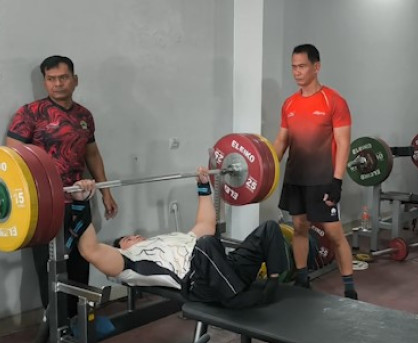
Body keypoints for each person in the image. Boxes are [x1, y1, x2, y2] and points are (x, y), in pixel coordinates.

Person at [70, 168, 288, 308]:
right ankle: (234, 299)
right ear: (121, 248)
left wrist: (203, 185)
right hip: (201, 282)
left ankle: (274, 280)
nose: (135, 236)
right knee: (207, 243)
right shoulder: (129, 262)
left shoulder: (172, 239)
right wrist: (81, 203)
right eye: (128, 238)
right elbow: (91, 250)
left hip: (224, 267)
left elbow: (205, 225)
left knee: (268, 229)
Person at [5, 55, 117, 316]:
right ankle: (55, 325)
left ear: (74, 80)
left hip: (79, 200)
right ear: (44, 82)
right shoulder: (29, 113)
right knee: (50, 267)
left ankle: (80, 320)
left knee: (81, 260)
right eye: (51, 79)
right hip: (45, 205)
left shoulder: (84, 115)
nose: (57, 84)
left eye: (63, 78)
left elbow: (92, 155)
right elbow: (12, 159)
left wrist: (106, 192)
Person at [273, 44, 357, 299]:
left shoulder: (333, 101)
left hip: (322, 179)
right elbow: (281, 141)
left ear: (316, 67)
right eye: (293, 67)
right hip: (295, 178)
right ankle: (302, 279)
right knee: (299, 227)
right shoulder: (289, 104)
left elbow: (343, 143)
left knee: (334, 233)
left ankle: (349, 288)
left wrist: (337, 181)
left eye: (302, 66)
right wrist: (265, 169)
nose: (297, 72)